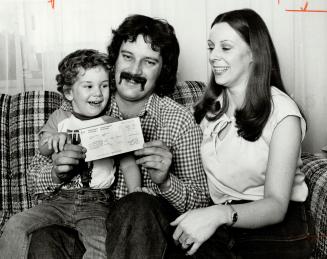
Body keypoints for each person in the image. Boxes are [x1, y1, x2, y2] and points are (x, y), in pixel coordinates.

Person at [27, 14, 210, 259]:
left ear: (162, 70)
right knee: (45, 237)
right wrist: (55, 172)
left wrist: (166, 182)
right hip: (87, 225)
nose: (134, 70)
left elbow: (201, 203)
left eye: (149, 62)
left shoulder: (178, 121)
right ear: (114, 60)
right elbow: (34, 179)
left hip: (146, 238)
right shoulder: (86, 102)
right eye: (127, 57)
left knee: (138, 204)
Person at [169, 8, 313, 258]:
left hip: (274, 228)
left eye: (225, 48)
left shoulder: (283, 114)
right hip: (223, 222)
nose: (213, 56)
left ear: (254, 54)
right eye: (211, 47)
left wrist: (216, 215)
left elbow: (277, 206)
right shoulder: (208, 109)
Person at [0, 49, 141, 259]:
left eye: (104, 86)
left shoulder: (113, 124)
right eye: (89, 86)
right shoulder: (60, 118)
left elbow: (129, 164)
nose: (98, 93)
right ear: (68, 93)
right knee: (15, 224)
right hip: (58, 200)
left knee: (103, 248)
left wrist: (135, 191)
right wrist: (53, 139)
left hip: (97, 203)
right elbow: (43, 146)